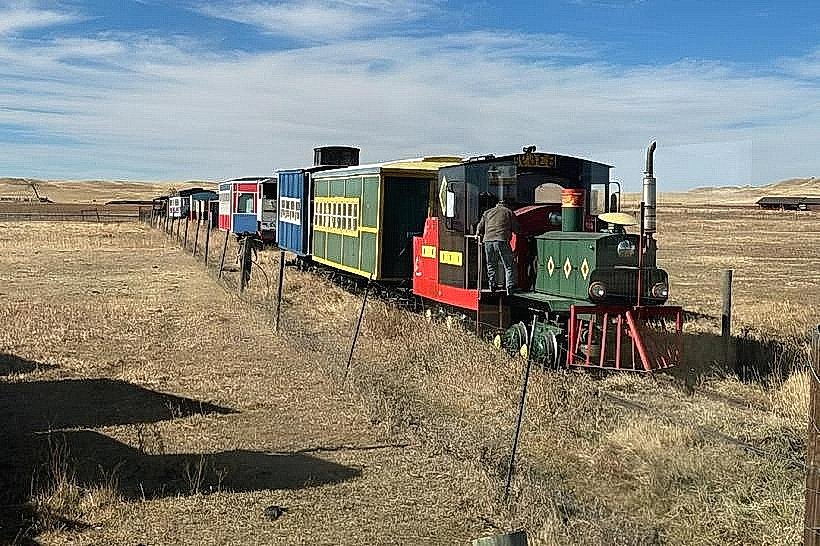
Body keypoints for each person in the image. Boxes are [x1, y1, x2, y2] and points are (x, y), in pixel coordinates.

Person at [477, 196, 520, 296]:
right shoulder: (509, 212)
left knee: (491, 264)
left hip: (488, 241)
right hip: (502, 240)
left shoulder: (487, 212)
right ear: (507, 205)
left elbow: (480, 225)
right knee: (508, 265)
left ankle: (492, 285)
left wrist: (478, 233)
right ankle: (509, 287)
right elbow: (516, 228)